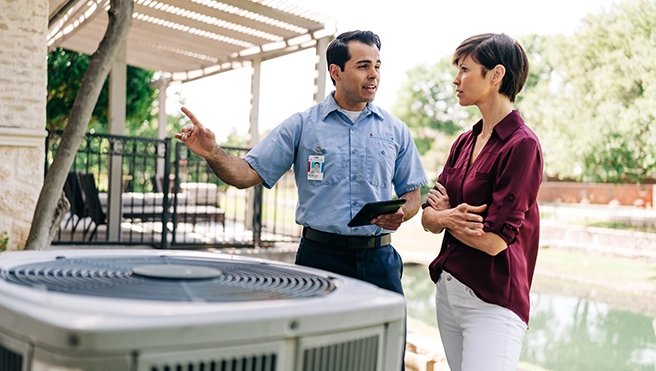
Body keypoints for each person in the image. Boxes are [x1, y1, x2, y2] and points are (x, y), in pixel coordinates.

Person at [175, 30, 428, 368]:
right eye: (364, 65)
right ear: (336, 72)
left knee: (384, 359)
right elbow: (244, 174)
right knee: (316, 358)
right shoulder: (302, 126)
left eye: (378, 66)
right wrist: (213, 153)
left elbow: (413, 194)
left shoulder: (395, 130)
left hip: (379, 262)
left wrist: (403, 213)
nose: (374, 75)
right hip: (320, 259)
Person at [420, 33, 543, 371]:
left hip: (492, 301)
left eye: (464, 69)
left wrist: (443, 216)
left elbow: (493, 241)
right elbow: (428, 217)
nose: (456, 79)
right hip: (448, 292)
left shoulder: (522, 146)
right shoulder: (462, 142)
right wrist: (444, 217)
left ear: (495, 75)